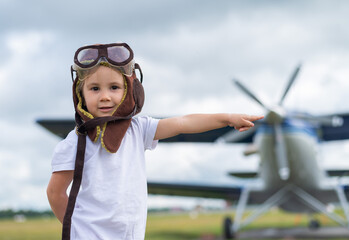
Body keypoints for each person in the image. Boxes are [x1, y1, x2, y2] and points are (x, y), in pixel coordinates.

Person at [46, 43, 263, 240]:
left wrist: (226, 118)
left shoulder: (139, 130)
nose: (105, 96)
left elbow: (182, 123)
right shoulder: (73, 144)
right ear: (80, 94)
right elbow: (55, 193)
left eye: (114, 87)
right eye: (95, 88)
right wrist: (78, 230)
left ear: (129, 91)